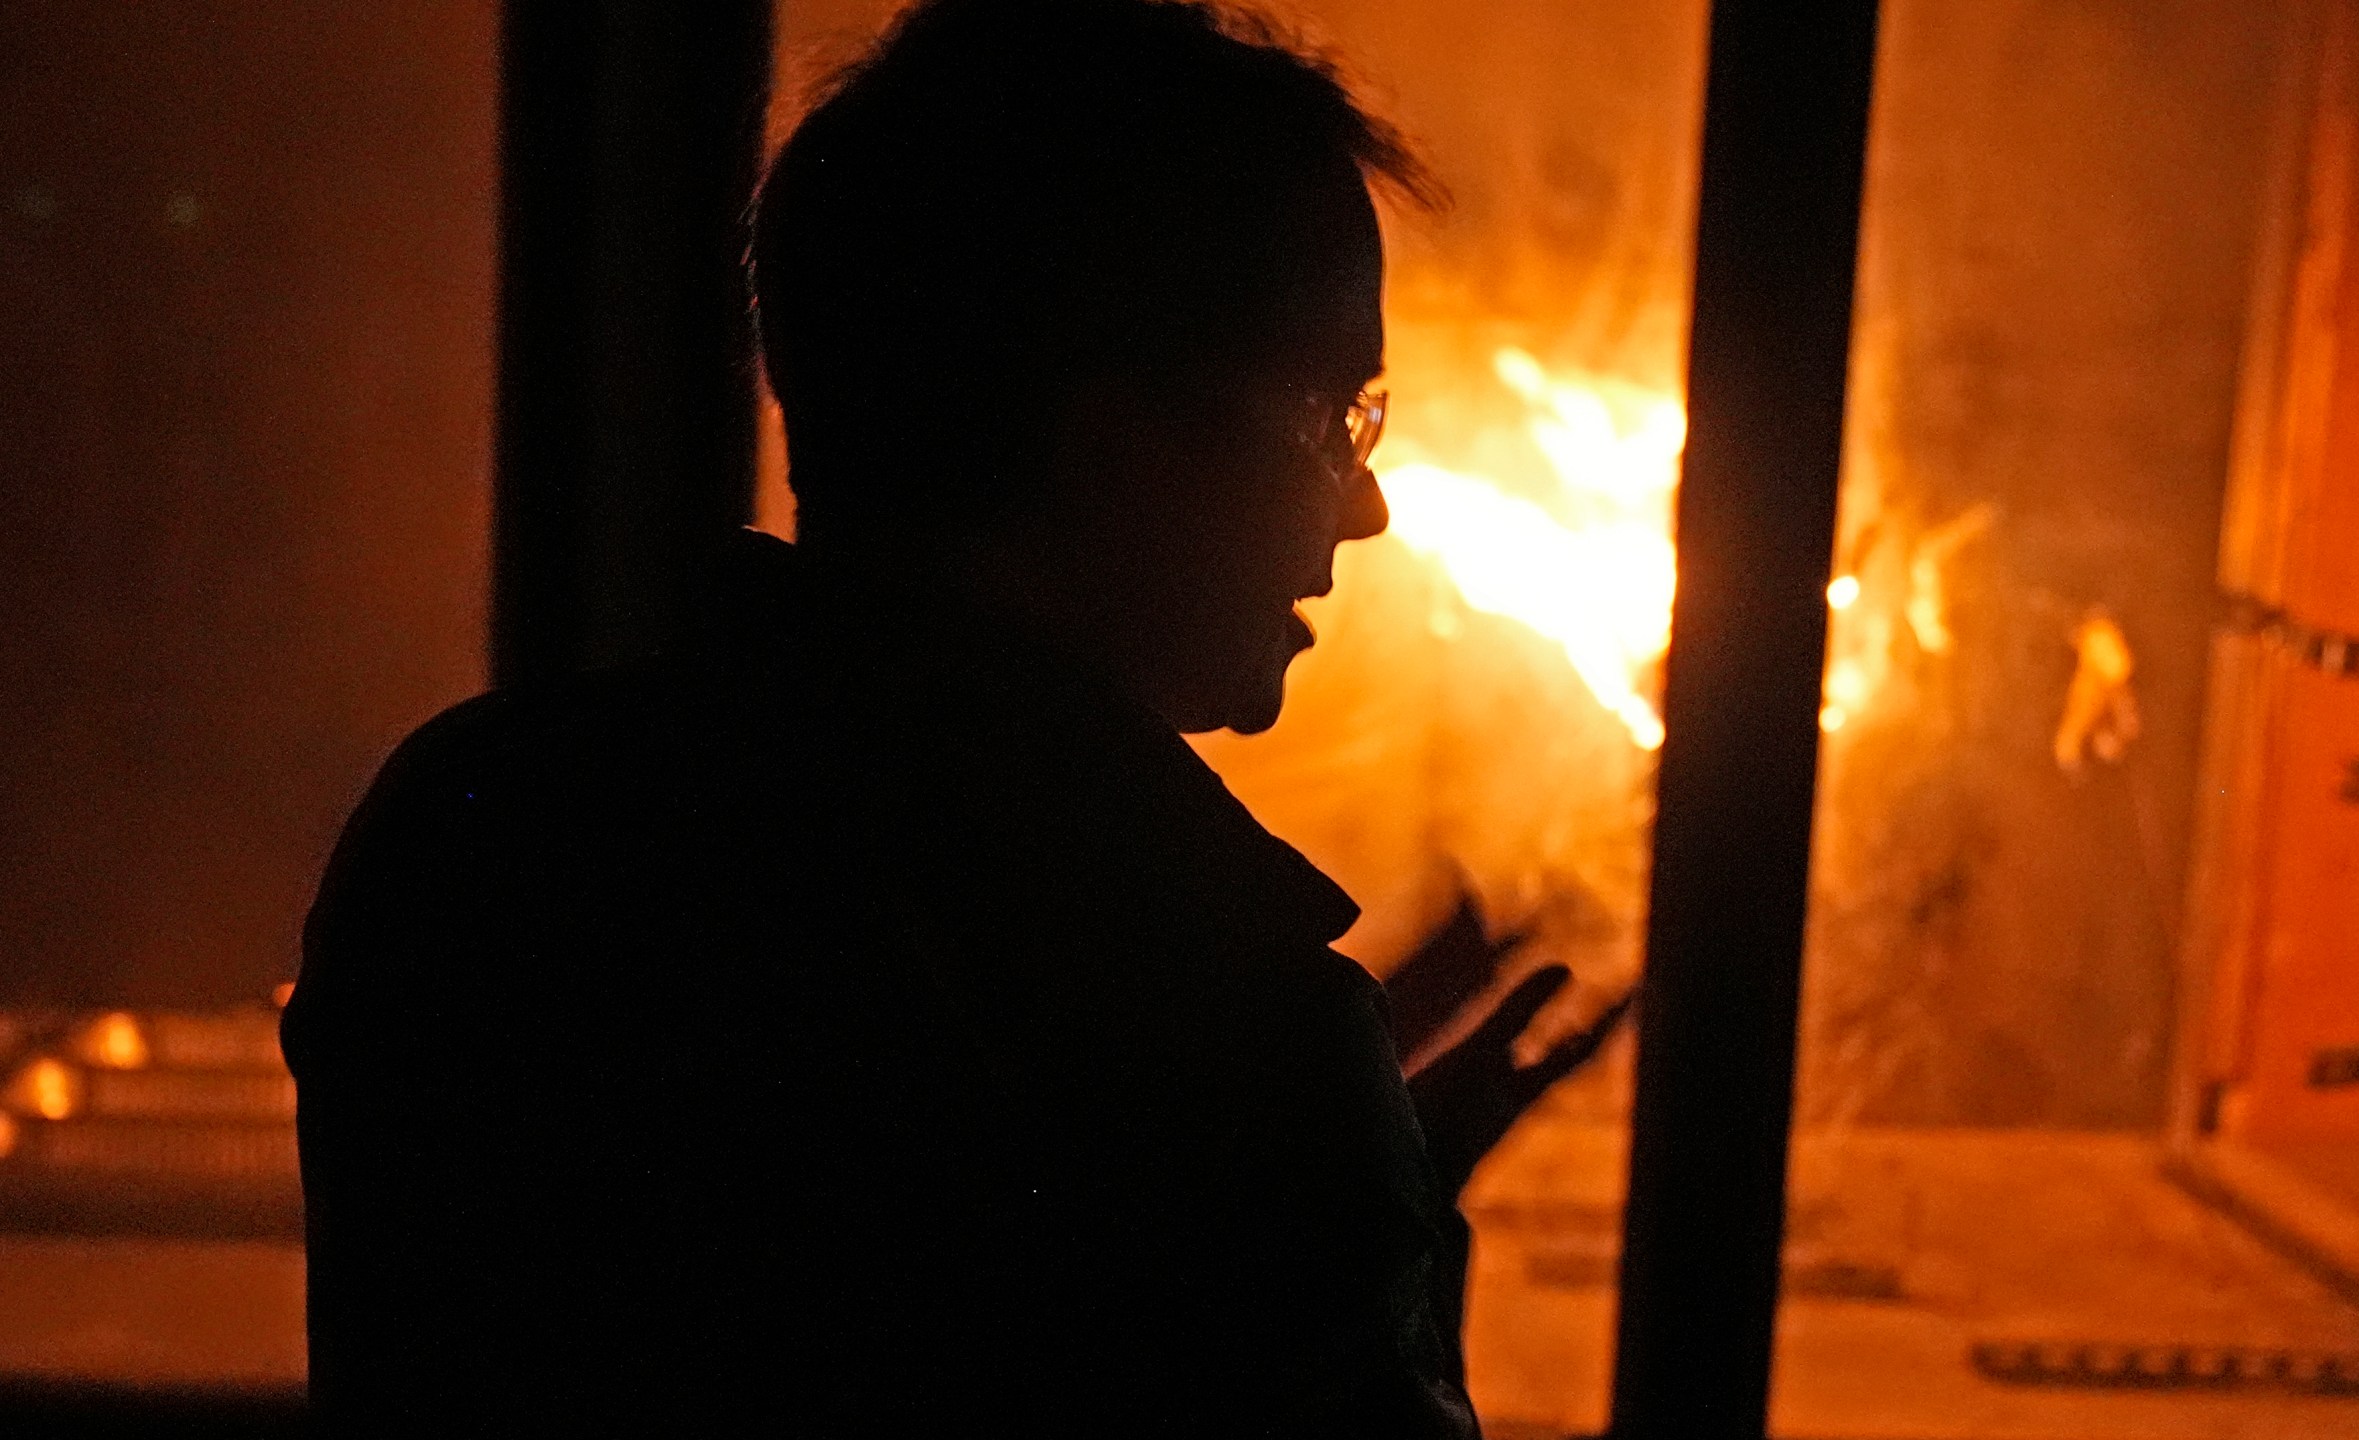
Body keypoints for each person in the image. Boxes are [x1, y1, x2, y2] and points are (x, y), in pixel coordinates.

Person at [285, 0, 1618, 1431]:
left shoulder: (475, 834)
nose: (1366, 504)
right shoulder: (1216, 1025)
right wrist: (1374, 1226)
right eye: (1334, 418)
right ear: (1116, 450)